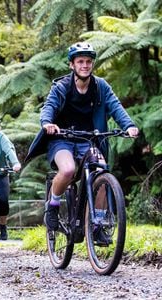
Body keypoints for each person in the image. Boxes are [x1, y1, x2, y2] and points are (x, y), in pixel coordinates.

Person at [26, 42, 139, 244]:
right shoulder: (61, 87)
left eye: (88, 61)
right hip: (62, 139)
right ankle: (52, 207)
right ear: (72, 65)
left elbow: (115, 106)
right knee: (68, 170)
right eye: (80, 61)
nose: (85, 65)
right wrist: (47, 123)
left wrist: (128, 125)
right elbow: (49, 107)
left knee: (102, 172)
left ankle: (98, 225)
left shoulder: (100, 86)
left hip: (89, 139)